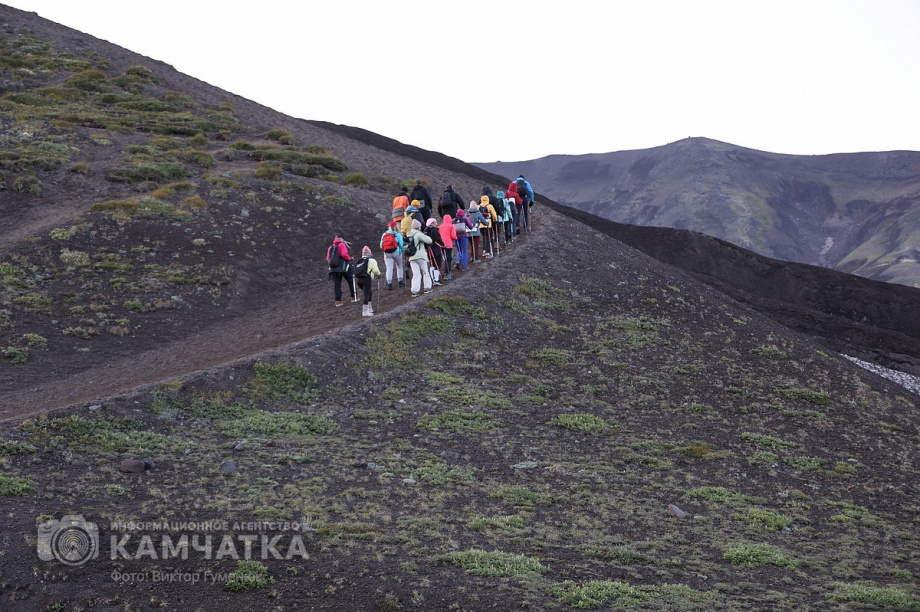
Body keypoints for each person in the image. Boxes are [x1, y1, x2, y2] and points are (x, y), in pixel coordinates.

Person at [326, 234, 356, 306]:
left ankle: (338, 301)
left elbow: (328, 258)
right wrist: (350, 258)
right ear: (341, 239)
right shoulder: (342, 245)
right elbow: (344, 254)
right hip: (343, 267)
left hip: (334, 268)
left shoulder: (331, 247)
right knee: (350, 281)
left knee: (337, 285)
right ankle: (353, 297)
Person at [406, 219, 433, 297]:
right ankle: (427, 287)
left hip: (411, 257)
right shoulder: (418, 234)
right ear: (418, 227)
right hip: (420, 256)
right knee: (425, 272)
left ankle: (415, 290)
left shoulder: (408, 234)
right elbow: (429, 240)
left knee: (416, 274)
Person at [354, 246, 381, 317]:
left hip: (359, 280)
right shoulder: (372, 260)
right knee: (366, 295)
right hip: (366, 279)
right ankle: (365, 311)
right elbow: (375, 271)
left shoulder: (360, 261)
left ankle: (370, 308)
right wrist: (379, 274)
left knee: (369, 292)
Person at [379, 221, 405, 290]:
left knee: (389, 268)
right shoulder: (398, 234)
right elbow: (401, 245)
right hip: (397, 252)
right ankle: (400, 281)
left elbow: (381, 245)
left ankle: (389, 284)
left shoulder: (384, 234)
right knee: (399, 266)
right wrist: (402, 252)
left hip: (387, 253)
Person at [424, 218, 446, 285]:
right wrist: (443, 244)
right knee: (437, 264)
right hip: (436, 249)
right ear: (432, 223)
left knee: (431, 264)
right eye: (435, 222)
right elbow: (438, 239)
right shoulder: (434, 230)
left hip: (428, 249)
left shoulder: (425, 231)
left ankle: (432, 278)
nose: (436, 223)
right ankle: (436, 280)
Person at [439, 214, 458, 281]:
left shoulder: (440, 226)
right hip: (448, 244)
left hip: (441, 244)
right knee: (449, 258)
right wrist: (455, 238)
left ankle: (444, 272)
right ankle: (447, 272)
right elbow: (453, 236)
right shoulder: (451, 226)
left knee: (444, 258)